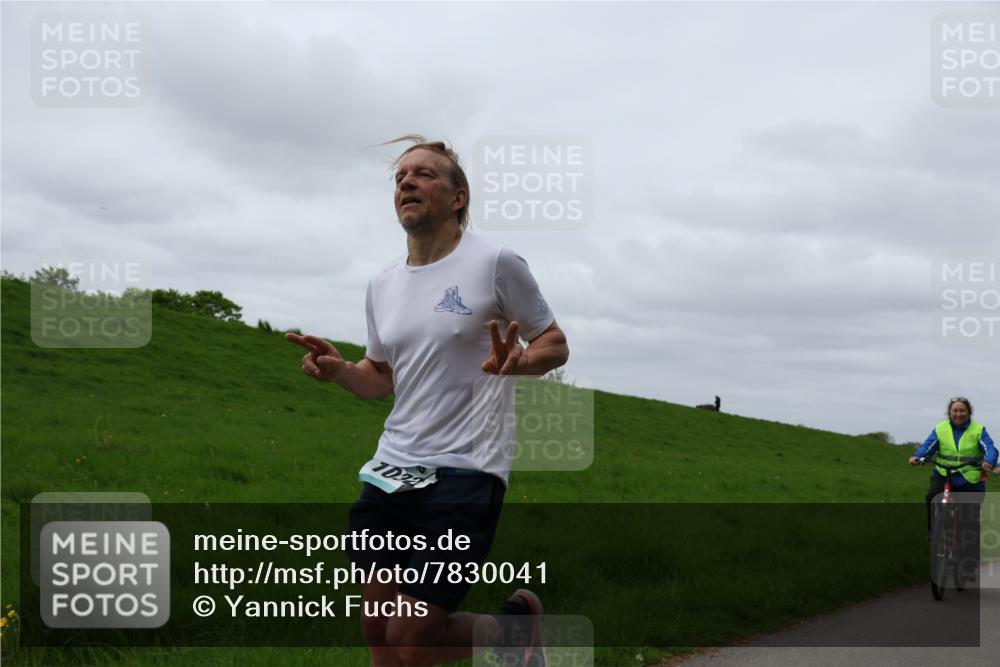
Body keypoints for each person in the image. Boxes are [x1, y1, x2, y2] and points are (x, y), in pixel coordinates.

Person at [286, 136, 568, 667]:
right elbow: (380, 377)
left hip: (466, 470)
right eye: (400, 178)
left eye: (423, 174)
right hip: (391, 468)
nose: (407, 183)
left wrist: (521, 361)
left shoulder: (496, 262)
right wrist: (341, 371)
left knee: (412, 641)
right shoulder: (381, 284)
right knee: (378, 629)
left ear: (458, 198)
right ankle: (512, 632)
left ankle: (512, 632)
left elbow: (554, 342)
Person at [908, 396, 996, 578]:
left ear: (969, 412)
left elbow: (990, 448)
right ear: (949, 413)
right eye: (955, 410)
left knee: (968, 523)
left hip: (969, 479)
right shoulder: (941, 428)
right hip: (944, 473)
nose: (958, 414)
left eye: (962, 410)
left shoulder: (978, 430)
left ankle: (968, 566)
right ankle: (935, 532)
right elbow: (928, 446)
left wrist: (988, 461)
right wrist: (918, 456)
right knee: (932, 496)